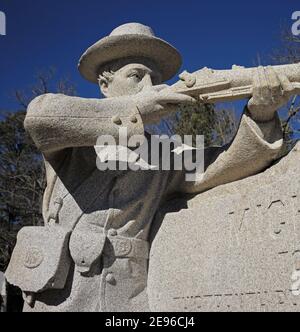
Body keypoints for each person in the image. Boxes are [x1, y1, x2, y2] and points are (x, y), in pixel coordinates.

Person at [6, 23, 291, 312]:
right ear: (105, 85)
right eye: (136, 75)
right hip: (59, 298)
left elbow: (225, 163)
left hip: (130, 300)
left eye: (153, 78)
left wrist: (261, 115)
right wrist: (135, 111)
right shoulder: (74, 138)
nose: (148, 87)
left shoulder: (162, 152)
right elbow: (40, 117)